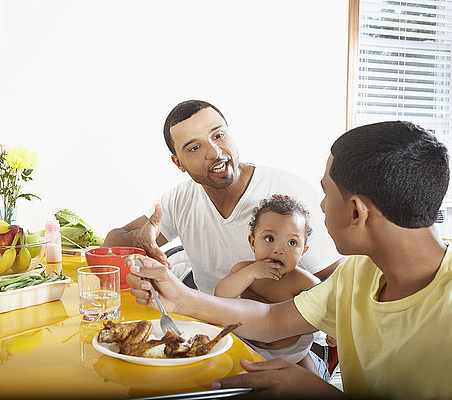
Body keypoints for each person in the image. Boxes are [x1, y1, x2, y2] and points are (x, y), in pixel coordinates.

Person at [125, 121, 452, 400]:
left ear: (356, 212)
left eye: (326, 193)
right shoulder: (360, 271)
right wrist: (181, 298)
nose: (321, 206)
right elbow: (271, 319)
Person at [103, 100, 343, 296]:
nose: (215, 152)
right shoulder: (179, 200)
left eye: (218, 136)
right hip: (216, 334)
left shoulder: (291, 194)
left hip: (294, 346)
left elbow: (339, 281)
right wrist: (138, 239)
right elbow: (110, 246)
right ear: (179, 163)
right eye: (194, 148)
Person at [214, 194, 320, 374]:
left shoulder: (304, 281)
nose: (279, 250)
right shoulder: (244, 270)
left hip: (292, 352)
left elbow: (328, 309)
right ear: (253, 243)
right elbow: (221, 297)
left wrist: (333, 333)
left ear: (303, 251)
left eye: (292, 243)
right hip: (247, 344)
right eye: (269, 239)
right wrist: (249, 274)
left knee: (312, 382)